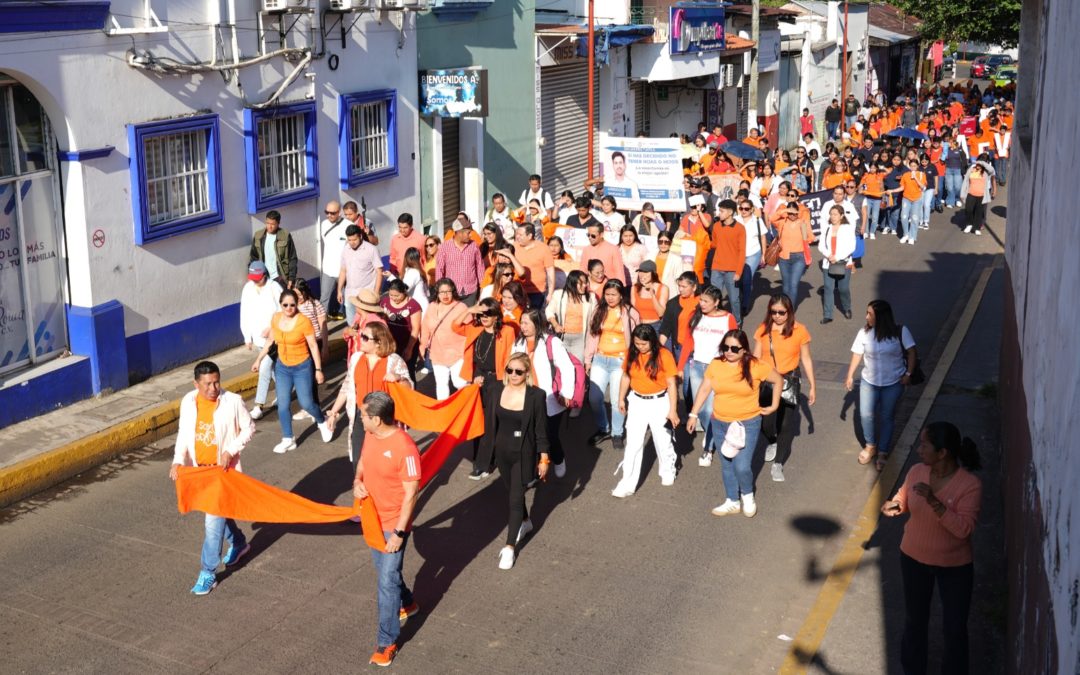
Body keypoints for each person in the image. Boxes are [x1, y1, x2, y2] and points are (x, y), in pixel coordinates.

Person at [881, 422, 983, 675]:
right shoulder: (917, 471)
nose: (919, 449)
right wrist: (893, 505)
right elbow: (903, 497)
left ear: (942, 453)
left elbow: (963, 529)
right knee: (915, 622)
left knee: (955, 628)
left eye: (924, 445)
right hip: (913, 558)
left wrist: (933, 501)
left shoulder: (970, 485)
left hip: (955, 568)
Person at [169, 361, 255, 596]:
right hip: (200, 471)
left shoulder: (233, 402)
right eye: (207, 384)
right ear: (196, 384)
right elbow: (184, 433)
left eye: (216, 381)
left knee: (212, 523)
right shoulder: (188, 401)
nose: (213, 388)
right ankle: (239, 543)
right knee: (218, 515)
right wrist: (178, 460)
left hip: (222, 474)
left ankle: (208, 572)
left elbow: (249, 428)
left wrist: (231, 450)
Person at [352, 391, 421, 668]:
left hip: (394, 526)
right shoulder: (370, 435)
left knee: (385, 582)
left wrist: (399, 534)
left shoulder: (405, 448)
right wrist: (356, 481)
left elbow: (411, 494)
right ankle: (409, 603)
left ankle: (387, 641)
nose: (360, 419)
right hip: (372, 519)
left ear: (377, 419)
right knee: (386, 575)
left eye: (363, 415)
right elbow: (362, 464)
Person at [687, 330, 782, 517]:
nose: (728, 352)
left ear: (744, 350)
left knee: (742, 465)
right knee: (727, 463)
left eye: (734, 348)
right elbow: (705, 388)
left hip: (747, 423)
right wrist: (693, 414)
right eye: (725, 347)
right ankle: (732, 500)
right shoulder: (716, 364)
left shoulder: (756, 365)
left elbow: (778, 380)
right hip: (720, 422)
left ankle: (747, 495)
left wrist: (773, 405)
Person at [475, 352, 551, 571]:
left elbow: (540, 431)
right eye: (510, 370)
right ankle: (526, 523)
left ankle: (509, 547)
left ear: (527, 373)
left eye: (519, 371)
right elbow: (475, 398)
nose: (514, 375)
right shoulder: (496, 389)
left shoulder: (536, 396)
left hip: (523, 454)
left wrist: (544, 459)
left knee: (515, 499)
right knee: (512, 494)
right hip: (501, 454)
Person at [251, 289, 332, 454]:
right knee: (283, 404)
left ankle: (322, 421)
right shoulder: (276, 318)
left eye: (292, 305)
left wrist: (318, 369)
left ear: (297, 304)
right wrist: (258, 360)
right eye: (285, 305)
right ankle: (288, 438)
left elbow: (313, 346)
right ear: (280, 304)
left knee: (307, 403)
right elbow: (270, 340)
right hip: (282, 368)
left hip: (302, 367)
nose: (288, 308)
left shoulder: (303, 321)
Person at [327, 322, 412, 473]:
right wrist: (333, 413)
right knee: (359, 460)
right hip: (362, 416)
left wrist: (398, 377)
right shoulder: (356, 358)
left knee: (385, 463)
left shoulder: (394, 360)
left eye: (365, 337)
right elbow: (347, 386)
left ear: (379, 342)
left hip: (385, 420)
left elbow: (409, 389)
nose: (360, 338)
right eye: (360, 335)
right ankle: (363, 492)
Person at [845, 299, 917, 471]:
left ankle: (883, 451)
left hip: (893, 383)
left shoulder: (900, 331)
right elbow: (857, 354)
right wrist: (849, 375)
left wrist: (908, 374)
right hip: (869, 382)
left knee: (887, 417)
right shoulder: (863, 333)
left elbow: (911, 352)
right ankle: (870, 445)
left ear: (881, 317)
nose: (866, 316)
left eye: (870, 313)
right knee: (865, 415)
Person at [752, 294, 816, 482]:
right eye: (774, 312)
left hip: (789, 381)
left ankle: (778, 463)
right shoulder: (763, 330)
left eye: (782, 312)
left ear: (789, 312)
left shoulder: (799, 330)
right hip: (767, 382)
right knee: (766, 423)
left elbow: (806, 358)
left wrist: (813, 385)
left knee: (786, 424)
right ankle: (772, 441)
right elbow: (755, 357)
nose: (778, 316)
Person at [452, 298, 517, 478]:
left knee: (490, 422)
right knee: (477, 420)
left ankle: (483, 464)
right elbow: (455, 326)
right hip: (478, 379)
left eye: (488, 313)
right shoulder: (475, 328)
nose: (484, 317)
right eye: (481, 314)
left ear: (497, 315)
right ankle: (481, 459)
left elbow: (511, 358)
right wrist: (469, 310)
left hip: (497, 380)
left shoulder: (507, 331)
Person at [612, 325, 680, 497]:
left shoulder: (664, 355)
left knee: (662, 440)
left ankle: (668, 469)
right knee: (633, 443)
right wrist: (621, 398)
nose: (640, 347)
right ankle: (627, 483)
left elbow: (672, 383)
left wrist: (673, 410)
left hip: (659, 401)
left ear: (652, 341)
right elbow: (626, 376)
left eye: (643, 344)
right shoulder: (632, 353)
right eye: (637, 343)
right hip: (636, 401)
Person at [513, 309, 576, 477]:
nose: (523, 326)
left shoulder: (551, 342)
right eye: (522, 322)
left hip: (549, 399)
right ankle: (533, 470)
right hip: (526, 398)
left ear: (537, 324)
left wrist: (566, 393)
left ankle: (558, 458)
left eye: (527, 323)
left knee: (549, 436)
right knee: (530, 436)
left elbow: (567, 367)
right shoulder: (518, 344)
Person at [680, 285, 738, 466]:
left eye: (706, 301)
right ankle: (711, 433)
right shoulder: (695, 316)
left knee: (708, 410)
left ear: (717, 302)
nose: (702, 304)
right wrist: (680, 367)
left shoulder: (728, 319)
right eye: (701, 300)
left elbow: (735, 344)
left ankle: (708, 449)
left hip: (718, 368)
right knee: (701, 408)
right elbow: (688, 343)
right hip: (697, 366)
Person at [584, 279, 641, 449]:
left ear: (621, 295)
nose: (610, 298)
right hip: (600, 359)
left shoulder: (630, 312)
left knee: (618, 400)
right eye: (607, 294)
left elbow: (638, 337)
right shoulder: (599, 310)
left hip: (620, 361)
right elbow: (591, 335)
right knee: (594, 398)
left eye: (613, 295)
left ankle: (617, 432)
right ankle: (604, 428)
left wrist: (633, 361)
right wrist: (588, 359)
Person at [239, 261, 283, 420]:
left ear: (265, 275)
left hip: (273, 338)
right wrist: (247, 336)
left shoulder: (274, 288)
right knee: (272, 370)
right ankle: (283, 393)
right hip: (257, 338)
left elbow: (283, 310)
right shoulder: (248, 288)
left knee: (264, 369)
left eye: (258, 278)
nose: (255, 281)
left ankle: (258, 405)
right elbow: (244, 312)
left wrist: (273, 327)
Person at [420, 279, 469, 399]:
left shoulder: (461, 307)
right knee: (441, 385)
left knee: (460, 383)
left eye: (448, 291)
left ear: (453, 292)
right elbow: (425, 327)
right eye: (442, 292)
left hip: (457, 353)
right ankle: (443, 411)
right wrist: (422, 345)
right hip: (437, 353)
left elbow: (470, 329)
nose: (445, 295)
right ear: (437, 293)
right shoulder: (432, 306)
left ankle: (466, 407)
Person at [709, 199, 746, 326]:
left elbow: (742, 252)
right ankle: (714, 320)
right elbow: (714, 244)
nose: (719, 213)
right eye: (719, 210)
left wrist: (738, 272)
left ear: (730, 212)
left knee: (734, 299)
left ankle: (737, 322)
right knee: (713, 297)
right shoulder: (716, 226)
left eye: (722, 211)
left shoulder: (740, 229)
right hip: (717, 268)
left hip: (732, 270)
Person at [337, 224, 384, 325]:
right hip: (350, 294)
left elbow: (379, 272)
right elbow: (343, 270)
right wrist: (339, 290)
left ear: (360, 236)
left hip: (366, 297)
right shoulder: (346, 249)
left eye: (354, 240)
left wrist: (375, 293)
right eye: (349, 240)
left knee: (367, 325)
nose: (352, 243)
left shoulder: (371, 249)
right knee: (352, 325)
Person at [818, 205, 857, 324]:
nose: (833, 216)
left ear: (841, 215)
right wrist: (829, 255)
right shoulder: (827, 228)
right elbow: (821, 245)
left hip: (844, 263)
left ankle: (846, 308)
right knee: (828, 288)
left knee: (843, 288)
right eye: (831, 214)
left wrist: (837, 257)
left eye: (835, 214)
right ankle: (828, 315)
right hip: (828, 263)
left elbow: (851, 247)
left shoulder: (847, 228)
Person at [546, 269, 596, 362]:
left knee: (578, 366)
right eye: (581, 283)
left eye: (585, 283)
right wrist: (555, 325)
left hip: (580, 339)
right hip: (563, 337)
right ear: (572, 283)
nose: (585, 286)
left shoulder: (591, 298)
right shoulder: (559, 295)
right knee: (561, 366)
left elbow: (595, 317)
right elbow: (549, 311)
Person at [435, 219, 486, 306]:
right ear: (459, 232)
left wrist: (482, 289)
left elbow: (480, 267)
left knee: (469, 319)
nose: (470, 235)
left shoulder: (473, 246)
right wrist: (441, 291)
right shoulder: (445, 247)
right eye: (468, 233)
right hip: (452, 293)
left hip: (471, 292)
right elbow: (439, 270)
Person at [380, 279, 422, 375]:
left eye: (397, 295)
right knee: (390, 372)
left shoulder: (413, 306)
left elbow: (415, 329)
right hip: (390, 344)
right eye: (391, 295)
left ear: (404, 292)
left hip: (407, 343)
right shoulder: (384, 302)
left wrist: (409, 349)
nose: (394, 298)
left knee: (407, 373)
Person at [249, 210, 298, 288]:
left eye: (272, 224)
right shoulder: (258, 236)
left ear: (278, 224)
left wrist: (291, 278)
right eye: (267, 223)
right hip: (263, 277)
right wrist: (253, 275)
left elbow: (292, 258)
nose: (269, 226)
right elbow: (253, 257)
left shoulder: (285, 236)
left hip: (280, 278)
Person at [735, 200, 768, 318]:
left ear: (752, 209)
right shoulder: (736, 220)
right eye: (741, 208)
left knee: (747, 279)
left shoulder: (757, 221)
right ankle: (744, 295)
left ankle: (745, 305)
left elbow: (763, 237)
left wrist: (764, 254)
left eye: (746, 209)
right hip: (738, 254)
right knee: (739, 279)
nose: (743, 211)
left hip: (753, 253)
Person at [512, 223, 555, 308]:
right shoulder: (514, 246)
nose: (517, 237)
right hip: (518, 291)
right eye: (517, 234)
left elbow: (550, 272)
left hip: (537, 292)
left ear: (530, 236)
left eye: (520, 235)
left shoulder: (543, 248)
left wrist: (550, 294)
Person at [319, 200, 346, 319]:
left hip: (344, 270)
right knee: (324, 298)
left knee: (348, 300)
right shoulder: (324, 224)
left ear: (339, 212)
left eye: (333, 213)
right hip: (328, 269)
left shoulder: (348, 225)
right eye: (327, 212)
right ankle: (321, 326)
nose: (329, 215)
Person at [960, 159, 996, 235]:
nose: (978, 165)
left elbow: (992, 170)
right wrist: (962, 193)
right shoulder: (971, 169)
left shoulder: (986, 172)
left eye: (980, 164)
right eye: (977, 164)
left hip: (981, 195)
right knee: (968, 209)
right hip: (971, 193)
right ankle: (969, 224)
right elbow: (965, 181)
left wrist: (982, 162)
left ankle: (976, 228)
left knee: (979, 212)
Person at [631, 261, 668, 331]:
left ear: (653, 274)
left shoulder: (663, 288)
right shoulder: (634, 288)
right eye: (640, 271)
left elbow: (661, 313)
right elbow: (633, 312)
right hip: (639, 326)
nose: (642, 275)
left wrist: (652, 294)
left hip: (655, 326)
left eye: (646, 272)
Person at [899, 159, 927, 245]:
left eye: (914, 166)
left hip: (917, 199)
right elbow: (902, 187)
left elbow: (923, 187)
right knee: (903, 217)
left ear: (917, 166)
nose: (913, 168)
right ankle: (906, 234)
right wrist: (892, 191)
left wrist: (915, 177)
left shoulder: (921, 174)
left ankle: (912, 236)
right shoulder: (905, 175)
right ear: (909, 166)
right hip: (906, 198)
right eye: (911, 166)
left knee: (915, 218)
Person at [653, 230, 687, 299]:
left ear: (671, 243)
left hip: (669, 294)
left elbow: (679, 280)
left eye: (666, 242)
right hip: (652, 292)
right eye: (660, 242)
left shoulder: (676, 260)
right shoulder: (650, 256)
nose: (663, 245)